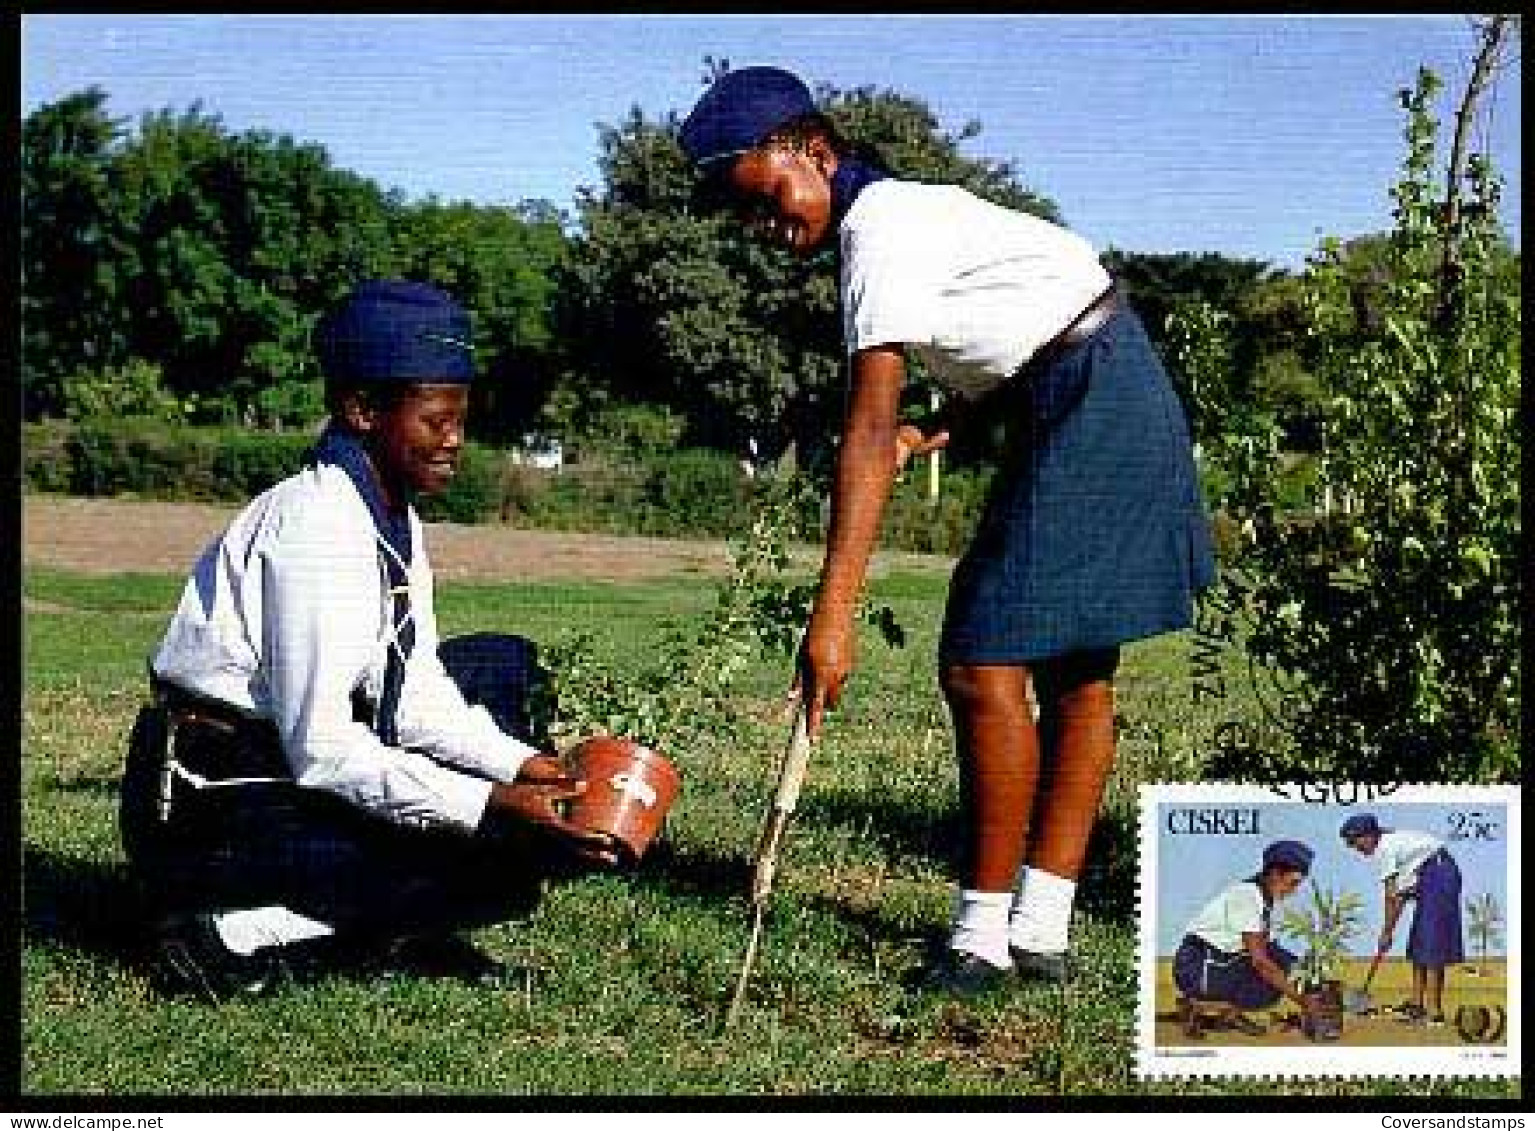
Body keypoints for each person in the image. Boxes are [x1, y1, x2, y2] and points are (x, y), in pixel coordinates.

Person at [677, 66, 1215, 993]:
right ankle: (1037, 928)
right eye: (746, 219)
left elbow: (867, 425)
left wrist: (831, 616)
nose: (765, 229)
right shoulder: (901, 218)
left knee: (981, 659)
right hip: (1103, 381)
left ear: (811, 148)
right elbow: (1027, 326)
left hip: (1094, 398)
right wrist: (948, 427)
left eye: (767, 200)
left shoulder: (876, 227)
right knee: (1076, 667)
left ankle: (979, 939)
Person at [119, 279, 619, 1004]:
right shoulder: (315, 526)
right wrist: (494, 804)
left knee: (500, 666)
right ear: (361, 410)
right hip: (213, 807)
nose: (455, 440)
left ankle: (366, 913)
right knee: (496, 854)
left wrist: (529, 766)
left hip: (275, 768)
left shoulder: (389, 512)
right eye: (435, 420)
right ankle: (227, 934)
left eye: (460, 419)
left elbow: (413, 695)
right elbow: (322, 750)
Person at [1172, 840, 1319, 1038]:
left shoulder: (1264, 898)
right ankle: (1198, 1005)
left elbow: (1271, 948)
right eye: (1292, 883)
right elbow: (1260, 962)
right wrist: (1302, 999)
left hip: (1221, 961)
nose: (1294, 891)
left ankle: (1229, 1014)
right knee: (1274, 976)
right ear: (1275, 874)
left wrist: (1306, 970)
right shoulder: (1246, 897)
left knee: (1286, 965)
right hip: (1197, 966)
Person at [1339, 813, 1463, 1026]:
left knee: (1432, 945)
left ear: (1369, 835)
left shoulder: (1384, 849)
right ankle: (1416, 1004)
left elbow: (1391, 896)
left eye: (1354, 841)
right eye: (1350, 843)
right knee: (1420, 942)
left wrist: (1386, 932)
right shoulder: (1389, 844)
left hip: (1439, 874)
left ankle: (1434, 1013)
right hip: (1431, 875)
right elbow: (1400, 897)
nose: (1354, 848)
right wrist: (1390, 928)